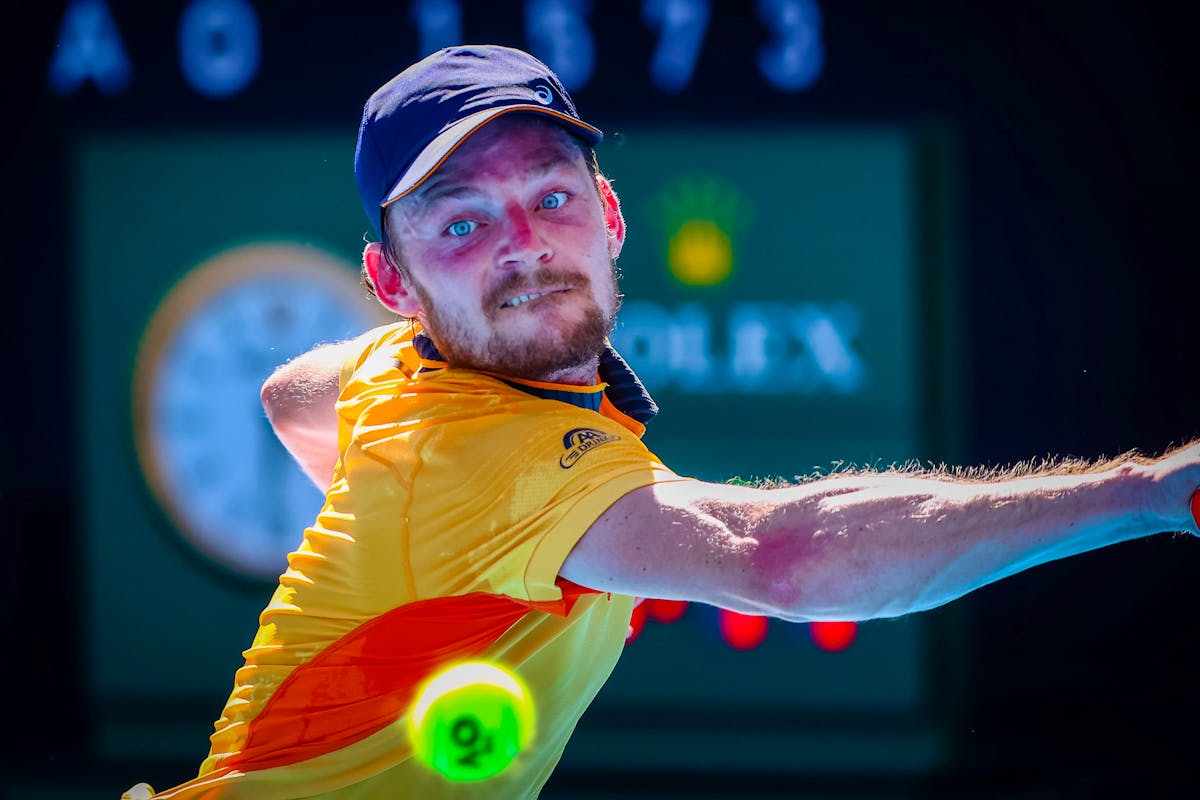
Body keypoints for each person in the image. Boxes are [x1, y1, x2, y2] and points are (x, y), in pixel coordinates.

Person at [123, 44, 1200, 800]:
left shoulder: (401, 379)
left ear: (609, 217)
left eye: (551, 197)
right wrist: (1150, 492)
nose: (524, 241)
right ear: (392, 281)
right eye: (460, 224)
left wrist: (426, 567)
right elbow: (779, 558)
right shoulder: (489, 456)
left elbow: (290, 394)